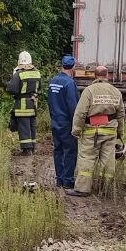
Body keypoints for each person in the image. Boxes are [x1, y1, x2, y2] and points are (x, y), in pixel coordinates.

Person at [70, 64, 125, 196]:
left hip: (91, 131)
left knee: (87, 158)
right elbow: (121, 114)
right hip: (110, 131)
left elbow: (81, 113)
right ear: (107, 76)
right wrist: (120, 133)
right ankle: (105, 190)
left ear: (95, 76)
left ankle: (83, 189)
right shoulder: (116, 91)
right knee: (108, 160)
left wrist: (76, 130)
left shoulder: (89, 91)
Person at [47, 55, 79, 189]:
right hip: (67, 122)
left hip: (55, 120)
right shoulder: (69, 83)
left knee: (58, 150)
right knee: (70, 151)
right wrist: (78, 124)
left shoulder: (53, 81)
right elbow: (73, 106)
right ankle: (68, 181)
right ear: (73, 67)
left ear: (62, 65)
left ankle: (59, 179)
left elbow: (49, 102)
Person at [6, 50, 41, 155]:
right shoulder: (37, 72)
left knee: (23, 126)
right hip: (33, 103)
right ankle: (33, 147)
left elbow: (11, 89)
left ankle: (26, 149)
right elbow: (39, 88)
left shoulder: (18, 74)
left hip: (22, 104)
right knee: (32, 126)